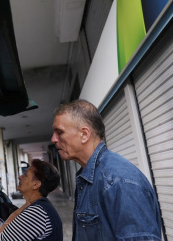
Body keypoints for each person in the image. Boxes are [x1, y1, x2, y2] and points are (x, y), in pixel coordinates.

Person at [51, 99, 162, 240]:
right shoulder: (88, 177)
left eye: (59, 132)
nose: (53, 139)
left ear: (84, 134)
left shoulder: (118, 182)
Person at [0, 159, 62, 241]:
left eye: (25, 175)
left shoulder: (37, 212)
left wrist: (13, 215)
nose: (20, 177)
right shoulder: (40, 206)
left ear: (36, 184)